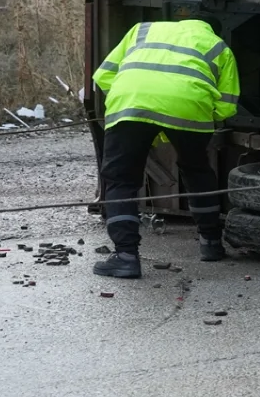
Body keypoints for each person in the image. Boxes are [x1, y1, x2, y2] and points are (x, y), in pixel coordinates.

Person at [89, 15, 239, 278]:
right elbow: (227, 104)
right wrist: (199, 119)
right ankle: (211, 244)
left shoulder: (141, 30)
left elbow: (103, 75)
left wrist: (134, 104)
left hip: (131, 101)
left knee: (120, 179)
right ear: (209, 27)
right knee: (197, 170)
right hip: (190, 105)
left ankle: (125, 257)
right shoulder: (217, 45)